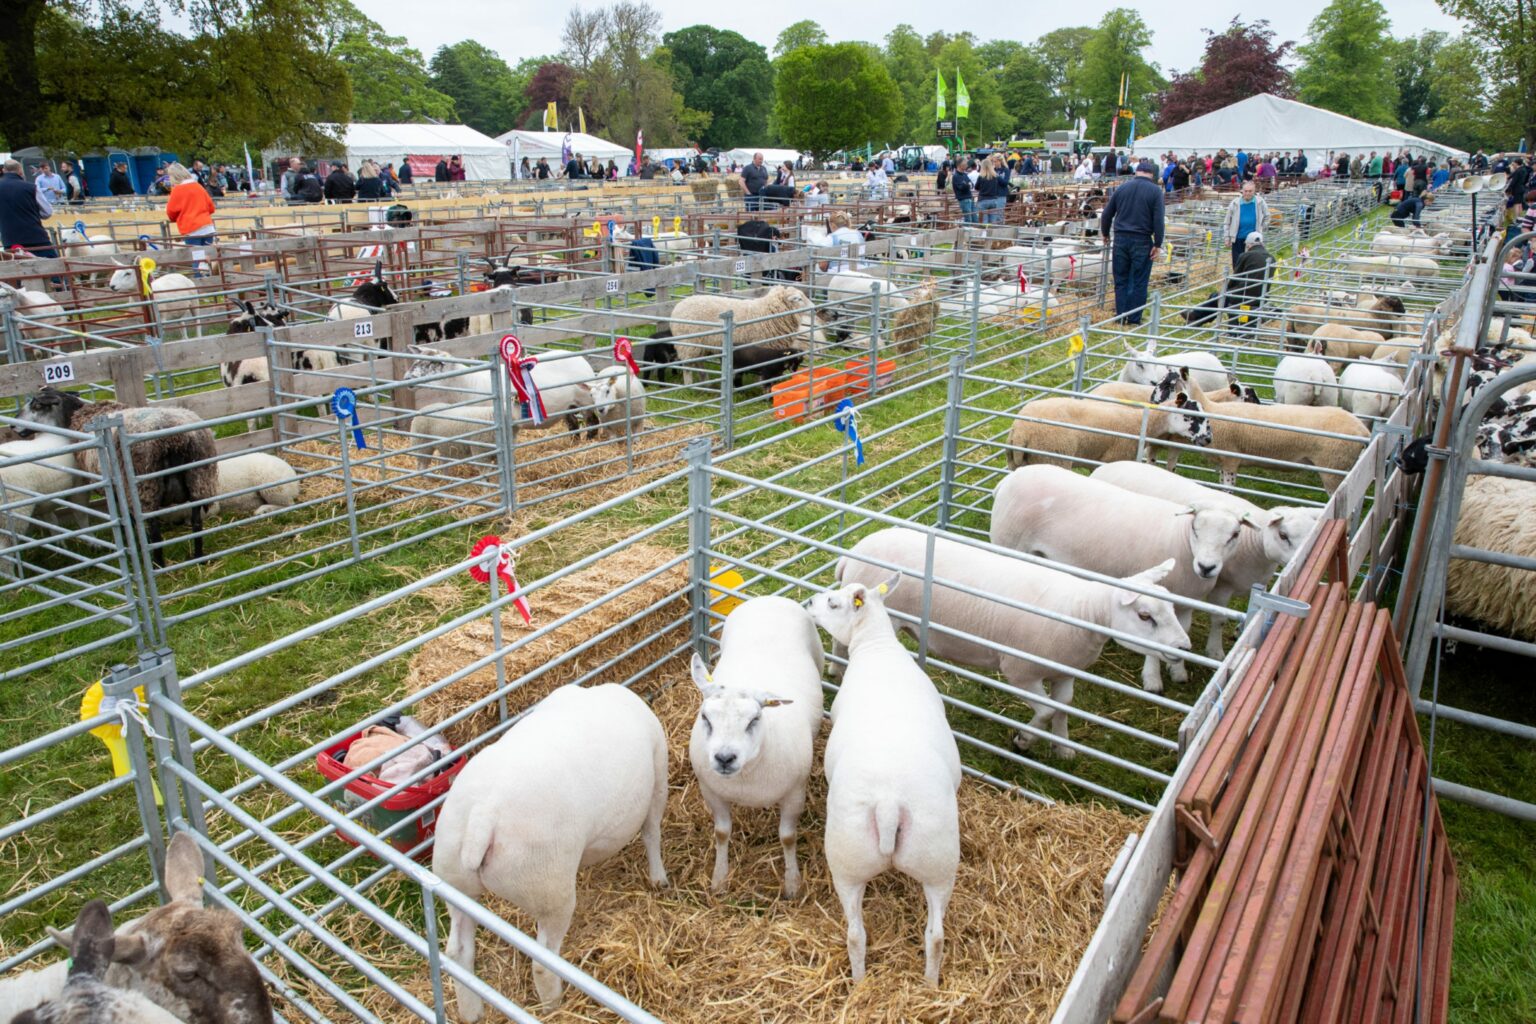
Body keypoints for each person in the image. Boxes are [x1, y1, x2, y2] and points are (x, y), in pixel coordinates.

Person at [1099, 159, 1165, 327]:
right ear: (1151, 174)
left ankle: (1121, 315)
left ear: (1137, 172)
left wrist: (1105, 233)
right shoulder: (1155, 191)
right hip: (1142, 240)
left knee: (1120, 279)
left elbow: (1106, 214)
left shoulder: (1122, 188)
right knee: (1139, 280)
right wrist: (1158, 244)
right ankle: (1134, 318)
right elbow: (1158, 220)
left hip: (1120, 238)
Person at [0, 158, 57, 259]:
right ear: (20, 170)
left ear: (4, 170)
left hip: (10, 240)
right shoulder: (32, 187)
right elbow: (47, 212)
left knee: (19, 272)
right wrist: (33, 213)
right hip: (37, 238)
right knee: (53, 270)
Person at [164, 162, 216, 260]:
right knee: (209, 258)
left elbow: (171, 211)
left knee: (197, 259)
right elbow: (211, 207)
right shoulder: (198, 186)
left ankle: (199, 275)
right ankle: (209, 275)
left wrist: (177, 218)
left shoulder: (177, 190)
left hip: (191, 228)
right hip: (207, 226)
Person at [1227, 231, 1272, 333]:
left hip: (1244, 294)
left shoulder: (1245, 256)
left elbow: (1236, 277)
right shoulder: (1271, 258)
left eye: (1247, 245)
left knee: (1217, 297)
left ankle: (1195, 317)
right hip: (1262, 295)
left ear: (1249, 244)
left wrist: (1227, 289)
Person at [1224, 181, 1268, 268]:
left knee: (1251, 263)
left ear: (1254, 191)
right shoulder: (1235, 203)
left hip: (1254, 240)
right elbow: (1227, 221)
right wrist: (1227, 237)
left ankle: (1248, 280)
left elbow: (1267, 216)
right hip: (1238, 238)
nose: (1247, 193)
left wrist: (1261, 228)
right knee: (1237, 263)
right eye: (1246, 191)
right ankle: (1237, 280)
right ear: (1242, 191)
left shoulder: (1260, 202)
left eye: (1250, 191)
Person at [975, 154, 1008, 225]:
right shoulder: (993, 172)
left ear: (1000, 161)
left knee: (998, 216)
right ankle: (990, 233)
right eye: (992, 162)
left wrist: (995, 174)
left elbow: (1005, 183)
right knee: (992, 219)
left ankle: (997, 232)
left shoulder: (1005, 170)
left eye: (995, 161)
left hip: (1000, 195)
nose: (994, 163)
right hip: (993, 197)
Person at [952, 156, 977, 222]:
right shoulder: (956, 176)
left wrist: (966, 184)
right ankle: (968, 231)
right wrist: (967, 184)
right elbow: (961, 187)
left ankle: (974, 231)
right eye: (965, 164)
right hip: (964, 199)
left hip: (969, 198)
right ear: (960, 165)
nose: (967, 165)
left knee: (974, 218)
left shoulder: (964, 174)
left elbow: (971, 184)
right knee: (968, 218)